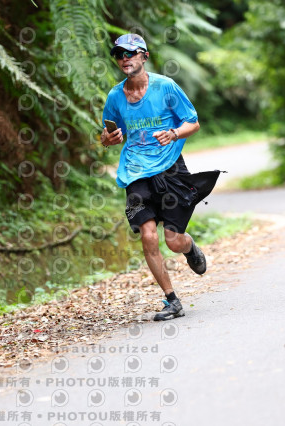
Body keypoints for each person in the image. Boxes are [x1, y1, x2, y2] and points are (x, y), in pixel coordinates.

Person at [101, 33, 219, 321]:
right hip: (135, 171)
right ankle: (172, 300)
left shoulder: (166, 87)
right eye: (119, 55)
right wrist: (108, 138)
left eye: (130, 53)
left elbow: (193, 122)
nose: (124, 59)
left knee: (173, 241)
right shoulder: (115, 96)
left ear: (144, 56)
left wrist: (174, 133)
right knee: (148, 236)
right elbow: (107, 133)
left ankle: (190, 247)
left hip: (170, 168)